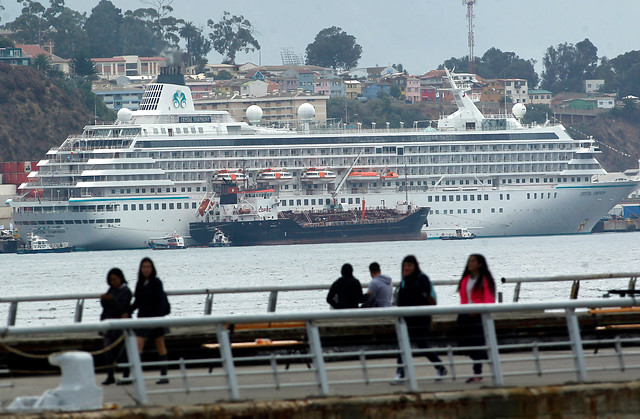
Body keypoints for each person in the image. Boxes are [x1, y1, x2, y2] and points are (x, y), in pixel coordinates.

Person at [394, 255, 447, 382]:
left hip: (421, 319)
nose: (406, 268)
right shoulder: (404, 282)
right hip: (407, 319)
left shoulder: (422, 279)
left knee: (422, 344)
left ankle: (440, 367)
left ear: (415, 266)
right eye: (404, 265)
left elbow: (429, 297)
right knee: (404, 345)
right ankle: (400, 373)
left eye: (409, 265)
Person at [129, 257, 170, 384]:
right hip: (143, 319)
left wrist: (157, 319)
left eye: (148, 267)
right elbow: (137, 302)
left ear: (152, 269)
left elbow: (160, 302)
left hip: (156, 319)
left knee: (160, 346)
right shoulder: (139, 283)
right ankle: (138, 375)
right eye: (144, 267)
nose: (146, 269)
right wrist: (127, 311)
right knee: (138, 345)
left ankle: (164, 375)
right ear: (140, 269)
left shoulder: (157, 282)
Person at [456, 254, 496, 383]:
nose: (470, 263)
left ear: (480, 264)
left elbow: (489, 299)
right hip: (465, 315)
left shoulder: (485, 280)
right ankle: (487, 355)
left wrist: (478, 310)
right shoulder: (465, 280)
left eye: (473, 261)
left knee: (476, 343)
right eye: (469, 261)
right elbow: (463, 299)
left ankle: (477, 373)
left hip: (479, 317)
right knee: (463, 343)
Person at [99, 268, 132, 385]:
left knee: (123, 352)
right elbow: (107, 307)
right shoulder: (112, 290)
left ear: (120, 279)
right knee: (109, 352)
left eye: (115, 279)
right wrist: (104, 300)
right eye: (111, 280)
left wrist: (110, 300)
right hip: (110, 325)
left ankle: (126, 375)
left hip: (121, 325)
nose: (113, 282)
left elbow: (121, 307)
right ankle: (110, 375)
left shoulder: (126, 291)